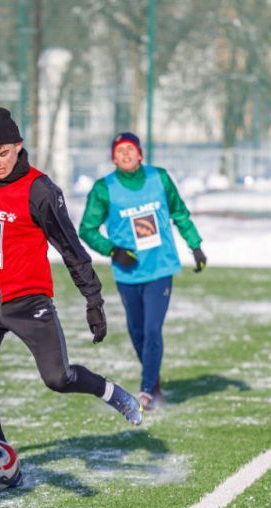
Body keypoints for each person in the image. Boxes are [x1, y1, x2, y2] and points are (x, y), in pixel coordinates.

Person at [0, 106, 143, 473]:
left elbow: (70, 248)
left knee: (58, 378)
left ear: (19, 146)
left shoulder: (39, 190)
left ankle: (110, 392)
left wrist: (93, 299)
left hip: (28, 302)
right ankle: (2, 457)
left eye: (3, 153)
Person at [79, 132, 206, 410]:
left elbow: (180, 213)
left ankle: (148, 388)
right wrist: (113, 250)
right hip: (127, 272)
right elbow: (86, 229)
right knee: (136, 330)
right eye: (119, 151)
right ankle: (154, 377)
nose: (125, 154)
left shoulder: (159, 178)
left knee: (152, 329)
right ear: (113, 158)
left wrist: (195, 246)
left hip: (160, 268)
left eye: (130, 149)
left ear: (140, 155)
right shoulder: (104, 188)